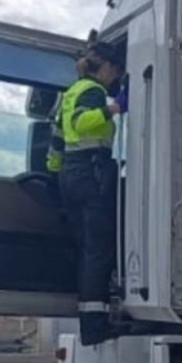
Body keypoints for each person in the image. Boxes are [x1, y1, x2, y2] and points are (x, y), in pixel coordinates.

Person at [56, 41, 126, 346]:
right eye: (117, 71)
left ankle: (90, 321)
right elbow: (81, 123)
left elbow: (58, 136)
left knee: (87, 249)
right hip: (91, 173)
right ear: (107, 67)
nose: (117, 78)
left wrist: (54, 170)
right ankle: (95, 325)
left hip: (71, 174)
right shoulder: (93, 91)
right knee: (99, 250)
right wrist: (114, 108)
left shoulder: (70, 91)